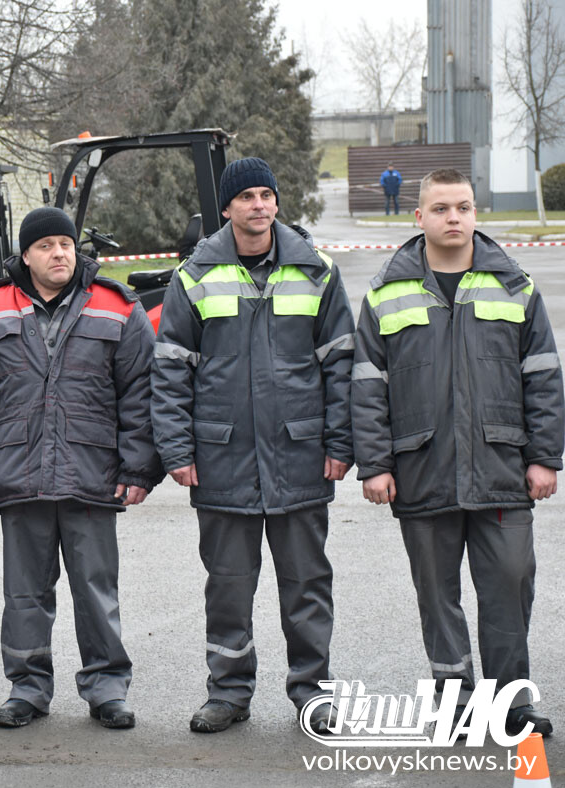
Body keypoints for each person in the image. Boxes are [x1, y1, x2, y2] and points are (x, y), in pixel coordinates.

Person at [352, 168, 561, 737]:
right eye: (441, 208)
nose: (454, 218)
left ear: (475, 213)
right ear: (419, 216)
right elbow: (367, 385)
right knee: (437, 596)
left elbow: (543, 376)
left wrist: (545, 457)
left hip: (502, 469)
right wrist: (375, 464)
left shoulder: (514, 286)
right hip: (422, 468)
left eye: (463, 208)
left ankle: (511, 702)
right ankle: (458, 703)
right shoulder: (386, 292)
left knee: (510, 586)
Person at [152, 157, 355, 735]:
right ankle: (228, 692)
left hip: (300, 457)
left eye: (267, 194)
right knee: (228, 588)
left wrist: (341, 442)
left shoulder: (316, 270)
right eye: (246, 197)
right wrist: (177, 450)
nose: (259, 205)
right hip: (223, 460)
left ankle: (313, 693)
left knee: (307, 585)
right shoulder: (194, 276)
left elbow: (341, 364)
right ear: (227, 208)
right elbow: (171, 370)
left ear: (276, 203)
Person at [0, 207, 161, 730]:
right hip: (21, 474)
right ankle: (27, 689)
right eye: (46, 246)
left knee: (96, 592)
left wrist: (138, 469)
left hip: (92, 475)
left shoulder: (116, 307)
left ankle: (107, 689)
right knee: (24, 596)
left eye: (65, 244)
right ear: (25, 255)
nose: (59, 253)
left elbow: (140, 394)